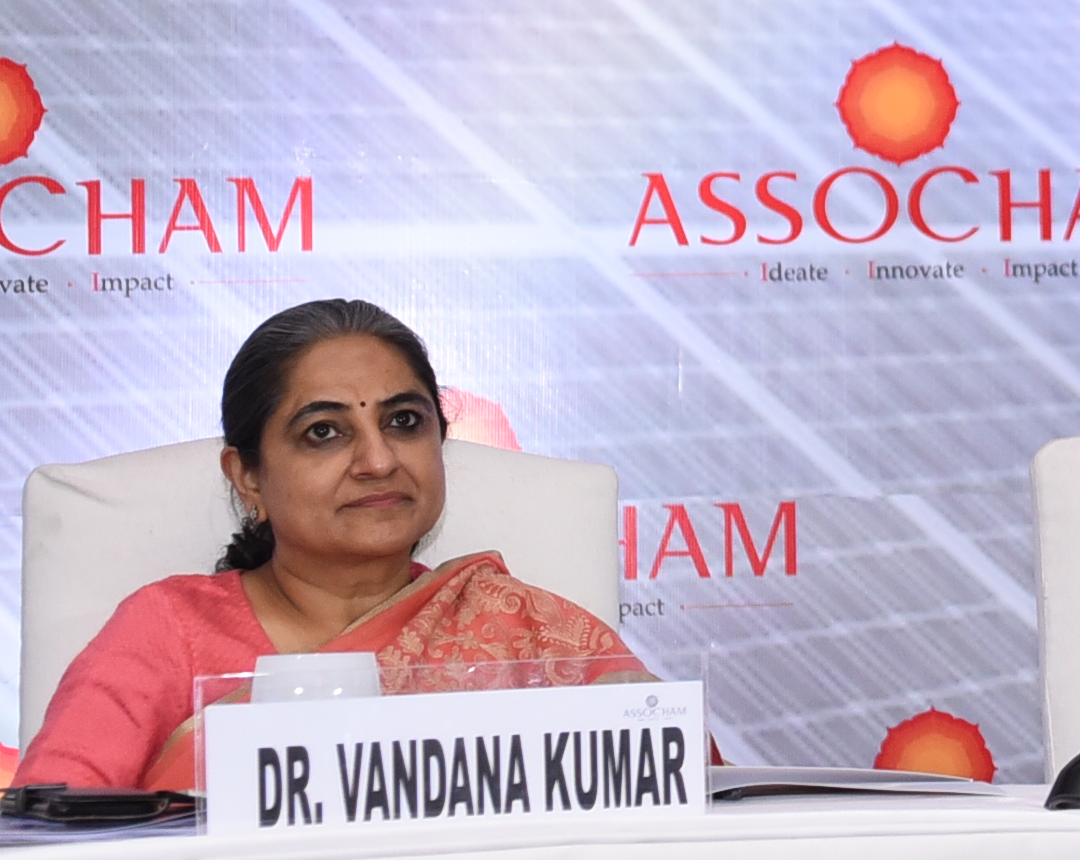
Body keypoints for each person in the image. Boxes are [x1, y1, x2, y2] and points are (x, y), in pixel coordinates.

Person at [18, 299, 646, 792]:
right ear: (248, 477)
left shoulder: (526, 631)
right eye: (324, 432)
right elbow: (47, 840)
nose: (379, 460)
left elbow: (668, 789)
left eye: (404, 422)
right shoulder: (169, 630)